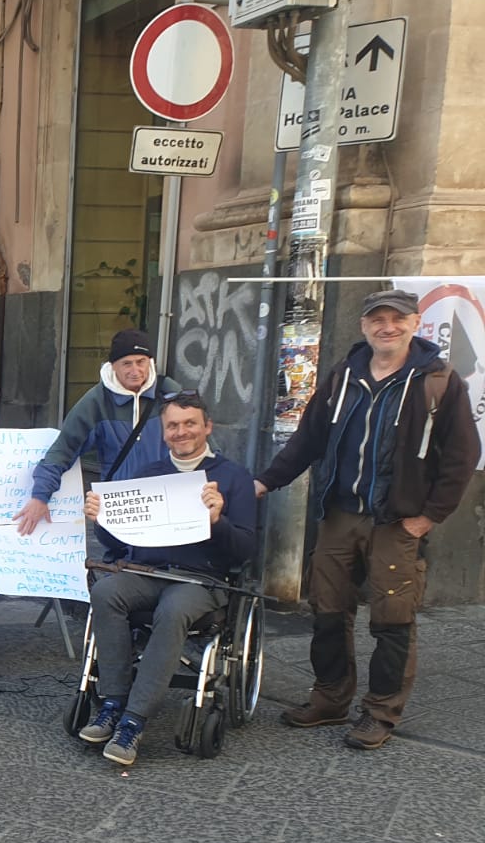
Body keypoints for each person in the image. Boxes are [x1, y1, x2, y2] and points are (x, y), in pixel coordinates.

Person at [255, 289, 481, 750]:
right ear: (364, 326)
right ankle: (331, 698)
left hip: (398, 522)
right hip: (340, 514)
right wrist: (263, 482)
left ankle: (380, 711)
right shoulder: (343, 377)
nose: (387, 327)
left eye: (397, 319)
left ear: (415, 323)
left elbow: (462, 456)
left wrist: (427, 518)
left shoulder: (438, 380)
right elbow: (307, 439)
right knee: (327, 611)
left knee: (392, 619)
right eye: (377, 319)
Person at [80, 391, 257, 766]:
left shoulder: (233, 477)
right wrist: (101, 521)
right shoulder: (150, 475)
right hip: (148, 571)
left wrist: (217, 522)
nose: (181, 432)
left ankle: (134, 719)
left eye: (190, 423)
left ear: (207, 427)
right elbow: (118, 541)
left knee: (174, 610)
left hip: (201, 580)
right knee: (107, 592)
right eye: (173, 425)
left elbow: (244, 550)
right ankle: (113, 700)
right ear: (164, 432)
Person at [15, 328, 182, 535]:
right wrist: (40, 496)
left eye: (141, 361)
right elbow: (63, 449)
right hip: (121, 508)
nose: (135, 370)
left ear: (150, 362)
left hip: (168, 500)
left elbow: (201, 441)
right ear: (113, 366)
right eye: (126, 363)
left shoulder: (169, 392)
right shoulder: (97, 401)